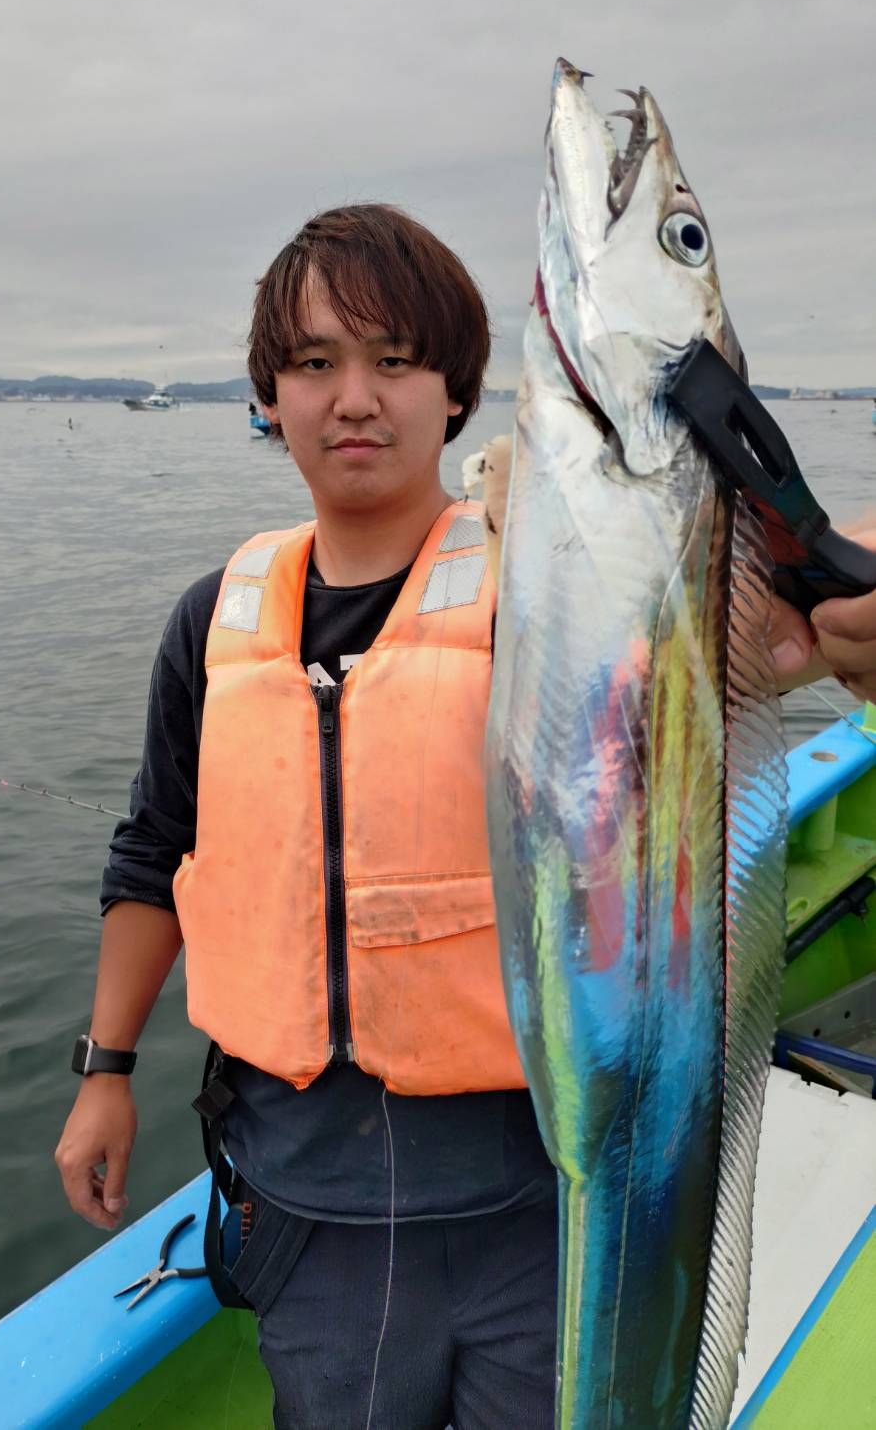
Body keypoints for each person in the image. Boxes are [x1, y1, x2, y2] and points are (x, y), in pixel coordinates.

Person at [55, 204, 876, 1429]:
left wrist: (839, 607)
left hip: (535, 1195)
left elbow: (758, 623)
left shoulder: (558, 588)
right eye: (314, 362)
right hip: (307, 1206)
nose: (354, 398)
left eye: (394, 359)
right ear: (268, 398)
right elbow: (152, 852)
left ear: (456, 392)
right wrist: (105, 1070)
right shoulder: (211, 622)